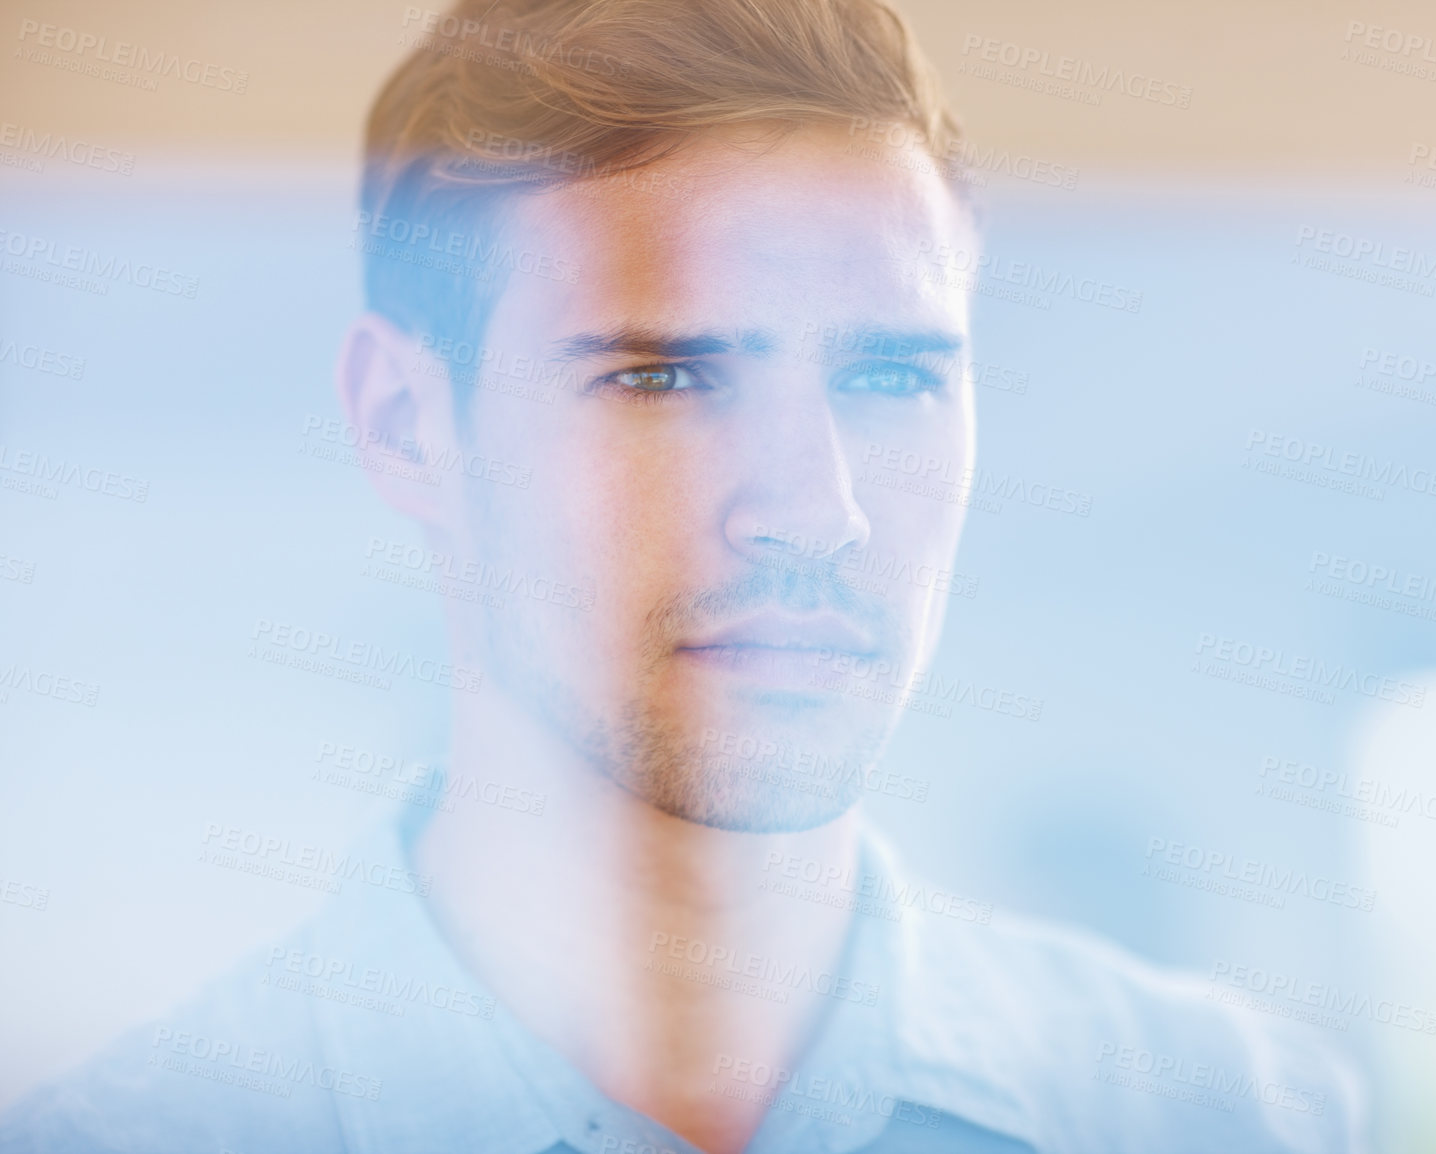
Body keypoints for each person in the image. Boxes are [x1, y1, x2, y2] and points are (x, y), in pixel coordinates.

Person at [0, 1, 1363, 1150]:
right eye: (660, 375)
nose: (814, 512)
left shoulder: (1231, 1114)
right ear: (409, 423)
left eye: (890, 373)